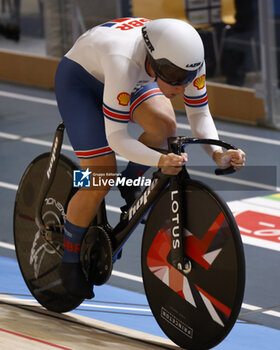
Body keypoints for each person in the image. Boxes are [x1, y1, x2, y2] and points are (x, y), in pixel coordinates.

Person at [54, 17, 245, 299]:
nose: (180, 86)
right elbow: (116, 137)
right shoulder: (125, 61)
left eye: (186, 77)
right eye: (171, 75)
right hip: (81, 82)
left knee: (165, 128)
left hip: (128, 78)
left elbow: (199, 113)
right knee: (99, 178)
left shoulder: (188, 62)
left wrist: (218, 153)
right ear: (154, 60)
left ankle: (130, 182)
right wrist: (158, 161)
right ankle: (68, 260)